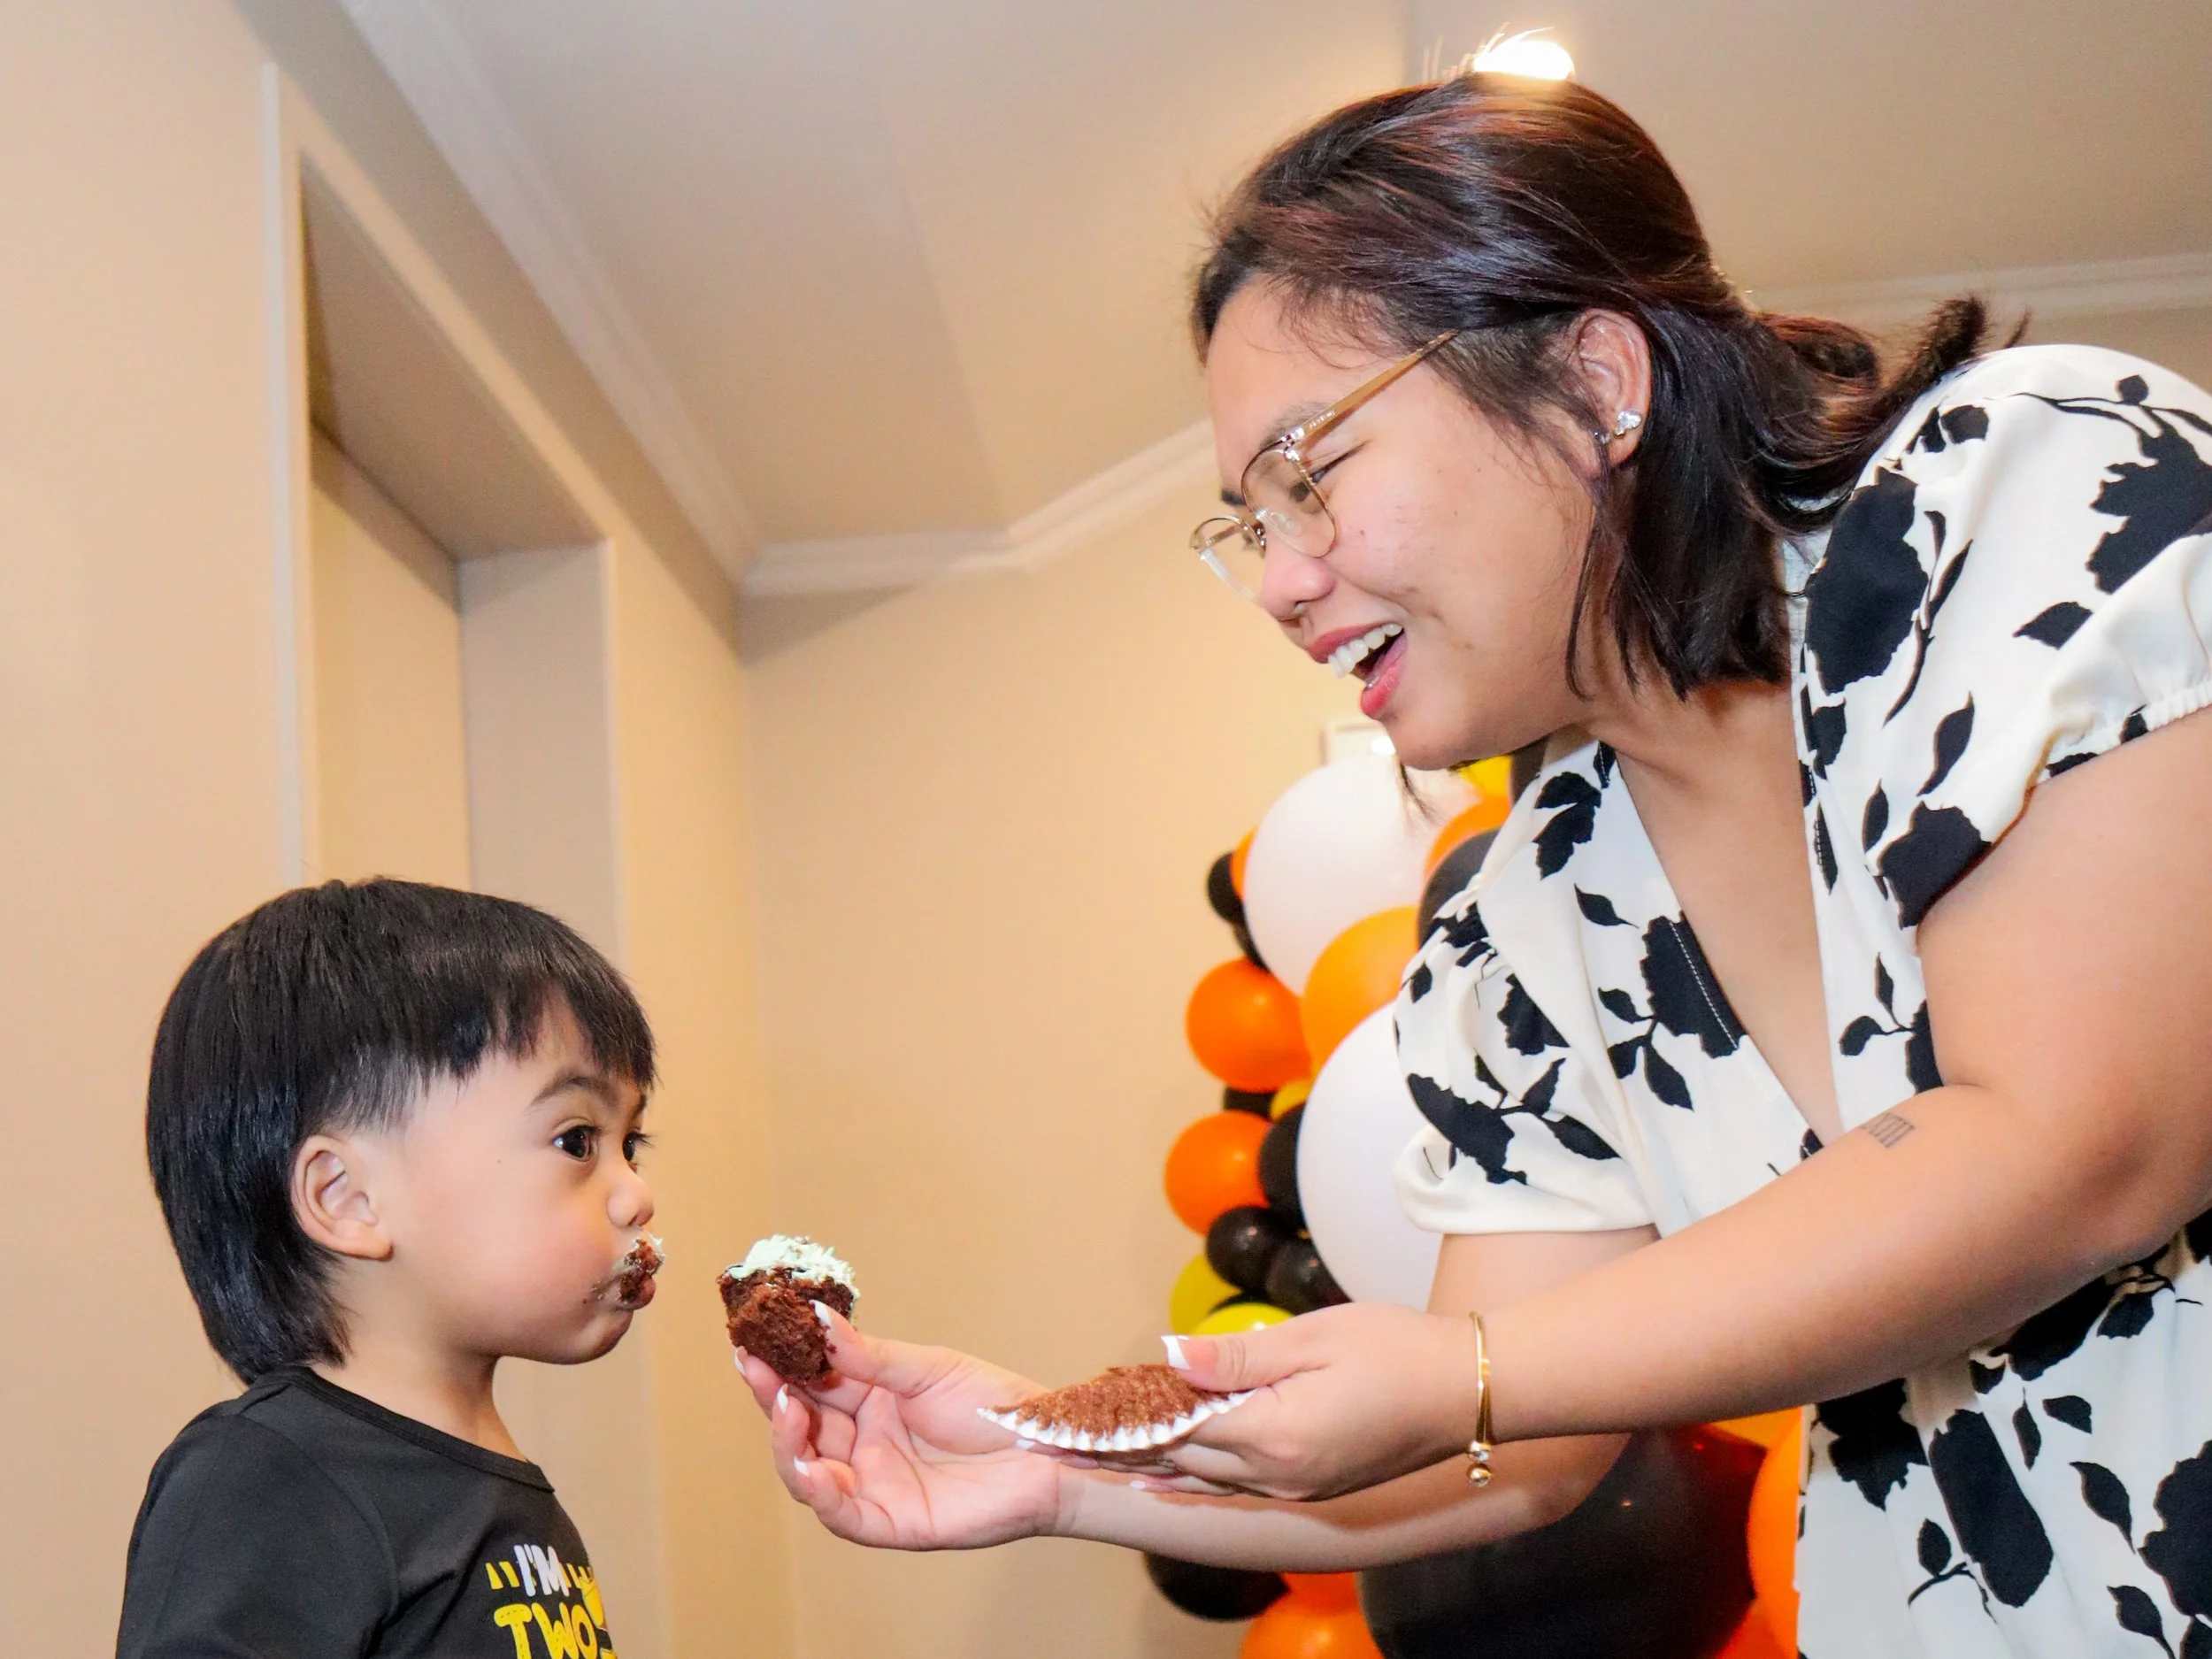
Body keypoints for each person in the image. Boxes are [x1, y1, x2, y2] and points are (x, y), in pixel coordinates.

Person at [736, 71, 2212, 1658]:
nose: (1279, 585)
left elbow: (2082, 1145)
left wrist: (1479, 1369)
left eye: (1313, 469)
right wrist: (1046, 1462)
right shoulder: (1539, 908)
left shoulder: (2021, 493)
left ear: (1592, 381)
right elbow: (1508, 1448)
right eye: (1248, 521)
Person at [119, 879, 660, 1658]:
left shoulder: (489, 1481)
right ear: (349, 1199)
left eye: (630, 1145)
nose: (637, 1194)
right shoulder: (269, 1473)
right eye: (577, 1139)